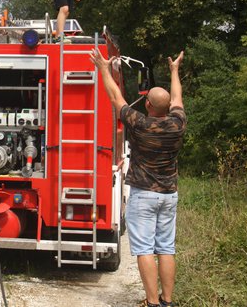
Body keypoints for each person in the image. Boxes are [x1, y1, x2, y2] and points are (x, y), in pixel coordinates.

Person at [90, 49, 186, 307]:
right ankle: (167, 301)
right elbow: (177, 97)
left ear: (147, 105)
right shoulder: (178, 123)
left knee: (144, 250)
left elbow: (115, 97)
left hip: (144, 195)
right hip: (169, 195)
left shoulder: (139, 124)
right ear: (168, 108)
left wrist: (103, 69)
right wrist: (175, 70)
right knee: (166, 248)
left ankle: (152, 302)